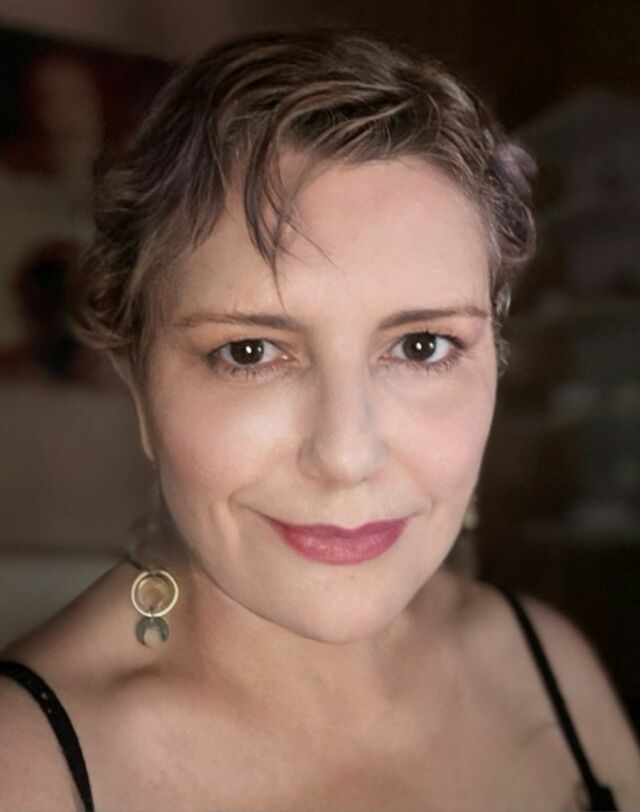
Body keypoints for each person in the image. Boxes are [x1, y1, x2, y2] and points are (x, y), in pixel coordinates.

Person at [0, 28, 638, 812]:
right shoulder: (24, 769)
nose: (346, 455)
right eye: (249, 352)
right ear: (140, 386)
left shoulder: (550, 666)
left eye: (423, 345)